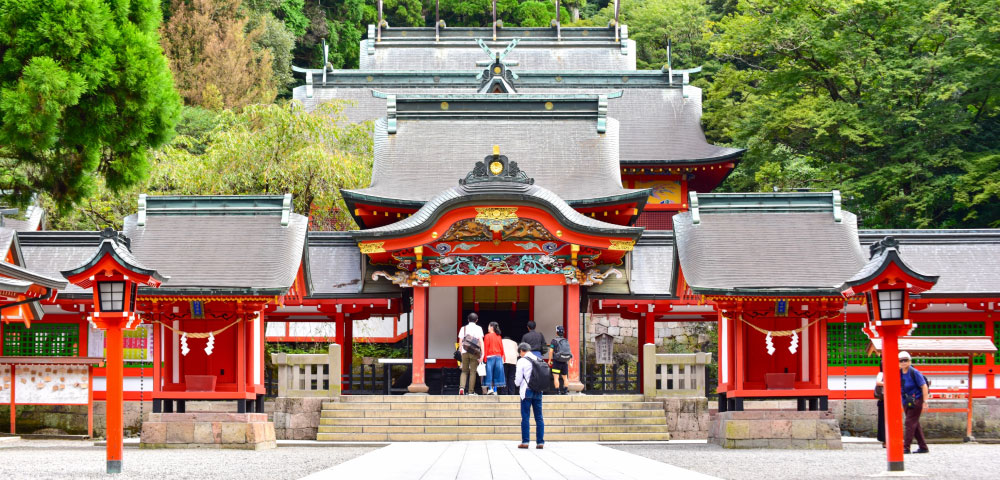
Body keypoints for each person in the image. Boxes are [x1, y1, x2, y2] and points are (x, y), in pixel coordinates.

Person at [514, 342, 544, 449]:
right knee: (539, 417)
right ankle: (540, 442)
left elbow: (518, 379)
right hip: (538, 390)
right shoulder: (538, 358)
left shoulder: (522, 361)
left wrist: (516, 384)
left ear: (522, 351)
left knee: (525, 417)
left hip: (526, 390)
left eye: (520, 352)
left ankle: (525, 442)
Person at [899, 351, 929, 454]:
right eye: (901, 360)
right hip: (907, 399)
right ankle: (923, 447)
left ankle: (906, 447)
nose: (903, 362)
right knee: (914, 423)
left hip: (917, 398)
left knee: (909, 422)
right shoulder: (899, 372)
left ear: (909, 361)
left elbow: (924, 386)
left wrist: (925, 401)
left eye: (905, 360)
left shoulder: (914, 372)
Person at [457, 313, 484, 396]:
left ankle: (461, 388)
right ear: (477, 320)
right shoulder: (479, 328)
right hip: (475, 352)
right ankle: (471, 391)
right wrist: (482, 354)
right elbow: (481, 341)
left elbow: (460, 341)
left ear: (468, 319)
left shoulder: (463, 328)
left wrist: (460, 352)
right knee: (473, 371)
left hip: (465, 352)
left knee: (464, 371)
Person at [482, 321, 507, 395]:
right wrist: (503, 356)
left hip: (490, 356)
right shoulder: (499, 336)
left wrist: (484, 358)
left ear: (491, 327)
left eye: (488, 326)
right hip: (498, 356)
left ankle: (490, 389)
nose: (488, 328)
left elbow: (485, 347)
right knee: (497, 374)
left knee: (489, 373)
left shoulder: (487, 336)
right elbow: (501, 347)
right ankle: (495, 390)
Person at [547, 326, 571, 395]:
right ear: (563, 332)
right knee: (565, 377)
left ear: (556, 332)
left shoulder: (554, 341)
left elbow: (551, 351)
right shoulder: (566, 341)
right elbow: (569, 352)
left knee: (556, 377)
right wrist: (569, 362)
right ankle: (565, 391)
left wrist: (549, 360)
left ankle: (558, 392)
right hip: (564, 361)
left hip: (557, 362)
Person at [875, 364, 885, 447]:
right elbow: (878, 383)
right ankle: (884, 440)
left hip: (891, 399)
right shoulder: (881, 374)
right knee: (883, 421)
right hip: (883, 400)